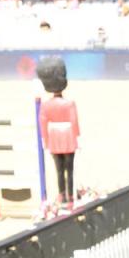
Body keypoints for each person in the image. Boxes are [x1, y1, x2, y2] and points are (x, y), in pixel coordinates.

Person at [37, 57, 80, 210]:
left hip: (54, 137)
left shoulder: (46, 106)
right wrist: (77, 139)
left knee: (59, 170)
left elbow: (42, 123)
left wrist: (45, 140)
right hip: (67, 136)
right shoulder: (69, 104)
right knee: (70, 168)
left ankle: (61, 194)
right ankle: (70, 195)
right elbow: (74, 122)